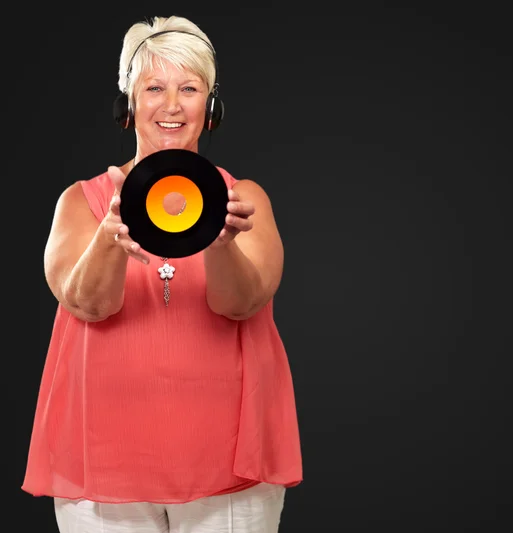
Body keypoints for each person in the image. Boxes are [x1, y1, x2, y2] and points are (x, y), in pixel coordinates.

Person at [22, 15, 303, 533]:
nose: (171, 106)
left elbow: (240, 304)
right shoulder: (82, 204)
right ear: (128, 103)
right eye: (154, 87)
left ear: (211, 107)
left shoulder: (246, 200)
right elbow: (88, 304)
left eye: (189, 88)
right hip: (103, 465)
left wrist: (221, 245)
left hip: (229, 470)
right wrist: (109, 237)